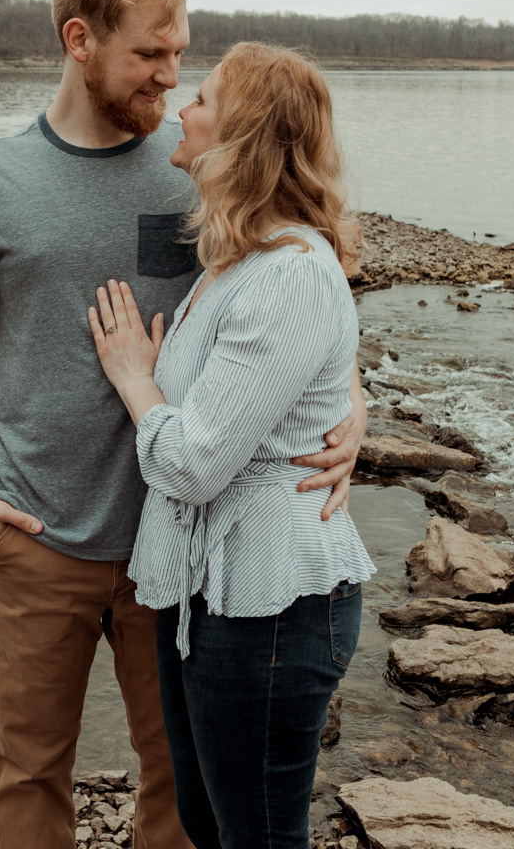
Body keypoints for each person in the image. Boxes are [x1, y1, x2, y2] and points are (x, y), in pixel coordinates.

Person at [0, 0, 367, 849]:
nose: (170, 76)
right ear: (79, 40)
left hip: (185, 548)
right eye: (150, 54)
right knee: (27, 771)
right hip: (34, 531)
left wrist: (351, 411)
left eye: (180, 56)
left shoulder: (204, 161)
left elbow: (300, 297)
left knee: (181, 780)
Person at [88, 42, 372, 849]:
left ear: (243, 135)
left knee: (259, 839)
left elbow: (194, 464)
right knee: (207, 825)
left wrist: (134, 379)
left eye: (204, 98)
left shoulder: (289, 273)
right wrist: (354, 397)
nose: (182, 106)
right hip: (212, 598)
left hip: (272, 609)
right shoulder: (240, 260)